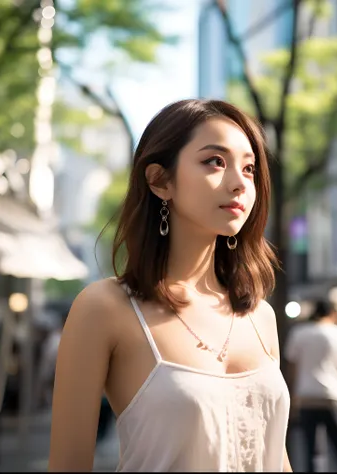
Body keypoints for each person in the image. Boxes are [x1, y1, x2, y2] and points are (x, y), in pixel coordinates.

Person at [48, 99, 292, 472]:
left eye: (249, 168)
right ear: (160, 180)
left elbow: (274, 456)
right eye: (215, 161)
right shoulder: (105, 308)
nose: (240, 183)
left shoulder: (260, 315)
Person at [285, 300, 337, 472]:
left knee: (311, 450)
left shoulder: (299, 333)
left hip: (306, 397)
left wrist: (293, 395)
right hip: (333, 397)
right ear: (333, 313)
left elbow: (292, 368)